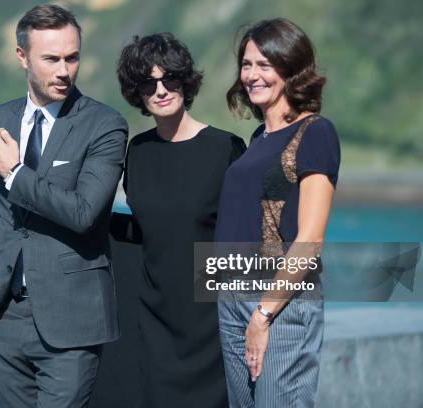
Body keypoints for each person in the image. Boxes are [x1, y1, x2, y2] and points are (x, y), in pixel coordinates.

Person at [0, 4, 128, 408]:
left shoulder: (104, 124)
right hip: (3, 318)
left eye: (72, 57)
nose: (64, 70)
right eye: (52, 58)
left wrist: (15, 173)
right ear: (22, 57)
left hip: (72, 321)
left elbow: (83, 213)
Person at [113, 32, 246, 408]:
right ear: (136, 93)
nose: (161, 90)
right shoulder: (137, 152)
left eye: (169, 78)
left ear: (185, 82)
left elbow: (245, 242)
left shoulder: (225, 149)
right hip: (155, 324)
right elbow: (148, 229)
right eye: (148, 83)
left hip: (213, 326)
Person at [215, 18, 340, 407]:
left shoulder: (314, 132)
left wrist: (263, 314)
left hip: (279, 304)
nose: (252, 75)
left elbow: (310, 239)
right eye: (247, 64)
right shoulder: (258, 139)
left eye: (265, 65)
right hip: (232, 295)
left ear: (290, 69)